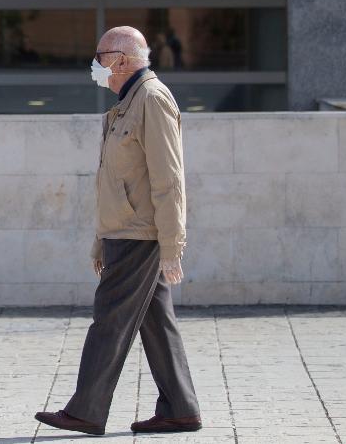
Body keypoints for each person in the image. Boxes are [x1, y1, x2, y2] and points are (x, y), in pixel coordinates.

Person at [35, 26, 201, 437]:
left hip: (138, 235)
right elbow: (113, 182)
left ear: (122, 60)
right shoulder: (126, 105)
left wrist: (172, 245)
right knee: (156, 323)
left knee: (109, 320)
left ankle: (86, 411)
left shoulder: (152, 99)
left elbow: (169, 179)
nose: (95, 66)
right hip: (124, 232)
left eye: (100, 57)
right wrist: (100, 239)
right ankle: (180, 409)